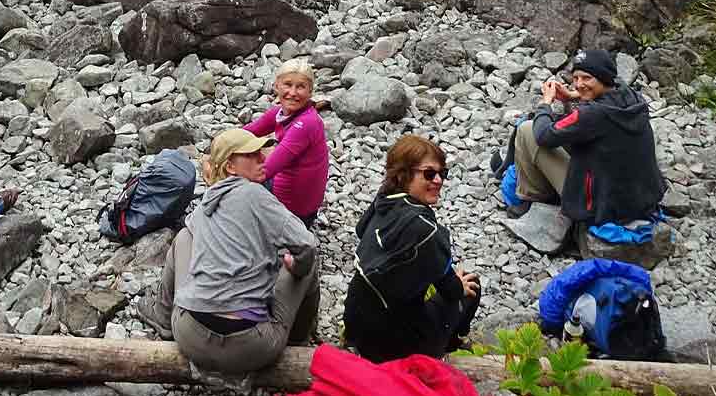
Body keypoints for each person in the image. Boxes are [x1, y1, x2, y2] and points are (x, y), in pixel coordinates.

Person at [142, 129, 320, 374]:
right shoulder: (255, 193)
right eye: (253, 155)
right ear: (230, 167)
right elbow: (306, 243)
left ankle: (163, 317)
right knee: (309, 265)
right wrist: (296, 266)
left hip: (189, 336)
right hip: (251, 347)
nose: (263, 159)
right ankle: (298, 340)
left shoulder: (205, 204)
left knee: (184, 238)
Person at [342, 135, 481, 362]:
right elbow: (452, 290)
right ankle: (448, 348)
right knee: (472, 284)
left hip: (357, 327)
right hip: (394, 347)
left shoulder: (383, 200)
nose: (438, 180)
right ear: (404, 174)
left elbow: (360, 230)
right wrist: (457, 282)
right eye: (429, 173)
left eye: (442, 173)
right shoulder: (427, 231)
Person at [511, 48, 667, 226]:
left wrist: (545, 103)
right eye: (576, 78)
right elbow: (606, 88)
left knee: (527, 129)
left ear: (603, 78)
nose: (578, 84)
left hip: (600, 207)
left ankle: (534, 197)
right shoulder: (631, 97)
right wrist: (571, 97)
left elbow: (544, 136)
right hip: (640, 201)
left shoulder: (594, 114)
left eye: (586, 78)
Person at [243, 58, 329, 226]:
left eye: (301, 87)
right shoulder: (280, 112)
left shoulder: (306, 123)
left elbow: (264, 172)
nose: (293, 92)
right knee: (253, 154)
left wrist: (225, 170)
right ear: (276, 86)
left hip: (293, 213)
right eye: (288, 85)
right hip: (296, 201)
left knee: (242, 171)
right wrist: (221, 147)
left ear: (310, 91)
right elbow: (246, 133)